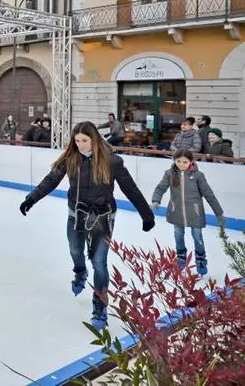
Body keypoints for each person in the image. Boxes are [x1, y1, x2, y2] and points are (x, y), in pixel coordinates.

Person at [18, 121, 155, 329]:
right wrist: (32, 198)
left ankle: (100, 304)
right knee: (75, 250)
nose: (80, 145)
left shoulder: (112, 161)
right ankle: (80, 271)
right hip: (77, 214)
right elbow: (51, 179)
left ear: (95, 140)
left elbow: (131, 189)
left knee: (99, 261)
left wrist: (147, 215)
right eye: (77, 141)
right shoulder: (71, 159)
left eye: (84, 141)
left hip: (103, 217)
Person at [151, 149, 225, 275]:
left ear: (191, 162)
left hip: (195, 213)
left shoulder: (198, 176)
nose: (181, 164)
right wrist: (156, 200)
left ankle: (201, 260)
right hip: (176, 212)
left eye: (185, 162)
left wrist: (219, 213)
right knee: (178, 235)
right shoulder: (170, 174)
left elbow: (209, 194)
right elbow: (161, 187)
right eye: (178, 161)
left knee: (197, 237)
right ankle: (181, 258)